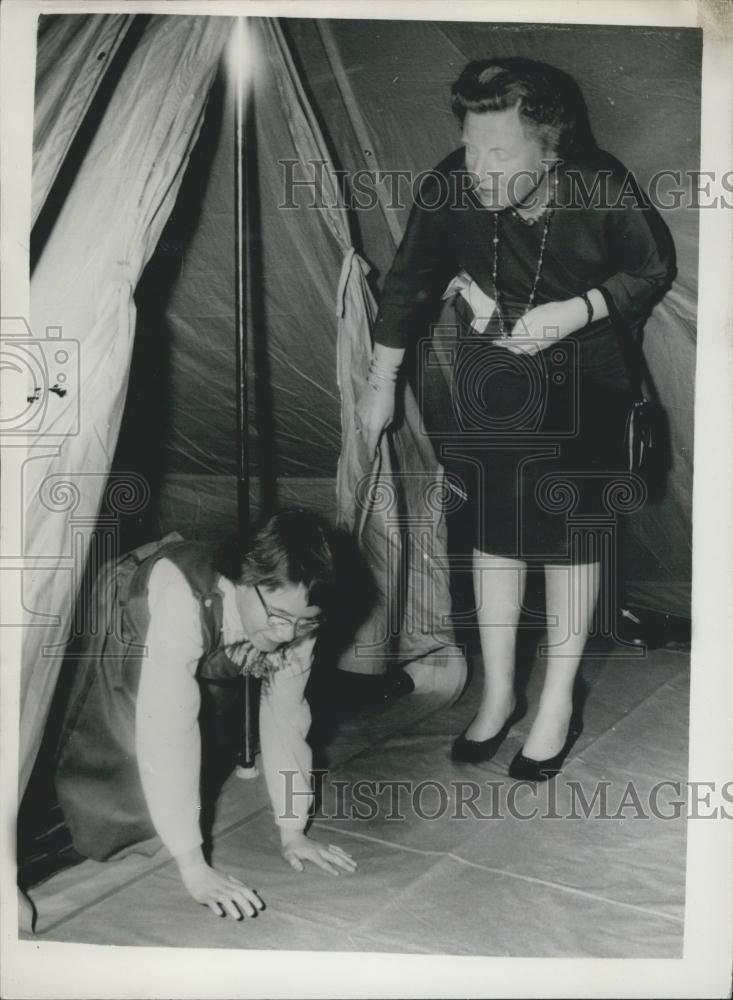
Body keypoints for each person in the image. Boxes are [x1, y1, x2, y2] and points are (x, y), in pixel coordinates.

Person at [356, 57, 674, 781]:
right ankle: (498, 694)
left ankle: (555, 704)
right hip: (492, 378)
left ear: (550, 150)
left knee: (568, 541)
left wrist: (576, 310)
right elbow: (407, 283)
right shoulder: (450, 183)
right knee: (495, 536)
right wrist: (381, 380)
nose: (476, 167)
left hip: (587, 378)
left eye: (498, 152)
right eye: (470, 145)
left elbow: (650, 268)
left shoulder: (599, 186)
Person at [55, 509, 356, 920]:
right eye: (279, 618)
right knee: (117, 783)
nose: (287, 635)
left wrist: (293, 831)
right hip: (130, 617)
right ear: (243, 581)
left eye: (304, 624)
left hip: (212, 633)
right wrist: (194, 869)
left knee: (207, 743)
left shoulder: (295, 618)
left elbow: (287, 721)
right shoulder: (182, 599)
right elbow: (168, 733)